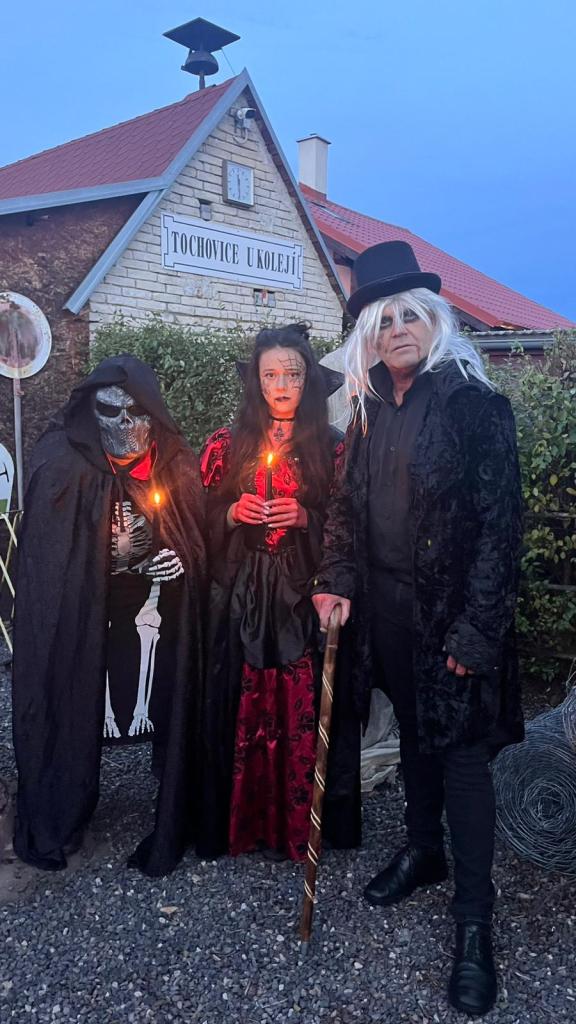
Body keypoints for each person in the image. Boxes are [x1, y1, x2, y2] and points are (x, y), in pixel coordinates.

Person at [312, 242, 524, 1017]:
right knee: (411, 736)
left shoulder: (475, 407)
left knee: (462, 764)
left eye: (410, 315)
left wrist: (477, 633)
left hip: (454, 622)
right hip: (388, 615)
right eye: (384, 319)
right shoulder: (366, 413)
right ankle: (424, 850)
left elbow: (502, 530)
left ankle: (474, 923)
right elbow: (345, 512)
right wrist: (335, 581)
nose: (398, 329)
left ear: (433, 322)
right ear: (367, 335)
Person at [12, 354, 206, 877]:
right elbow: (48, 561)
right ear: (89, 411)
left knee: (170, 685)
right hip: (81, 604)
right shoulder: (62, 461)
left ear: (154, 415)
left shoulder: (175, 461)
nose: (125, 426)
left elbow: (194, 539)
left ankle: (174, 799)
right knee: (68, 684)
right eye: (110, 412)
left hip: (152, 606)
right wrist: (87, 568)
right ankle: (59, 805)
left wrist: (180, 560)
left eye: (136, 413)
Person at [196, 323, 361, 862]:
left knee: (301, 701)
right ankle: (243, 820)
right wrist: (232, 512)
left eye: (292, 373)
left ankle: (298, 823)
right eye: (270, 375)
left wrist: (306, 517)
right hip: (242, 592)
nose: (282, 385)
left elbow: (352, 526)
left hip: (305, 593)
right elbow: (197, 519)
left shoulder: (334, 448)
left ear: (308, 379)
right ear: (257, 382)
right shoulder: (226, 446)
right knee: (243, 698)